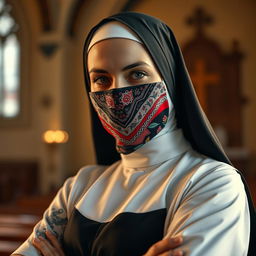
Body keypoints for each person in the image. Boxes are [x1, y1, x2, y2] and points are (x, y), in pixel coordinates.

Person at [12, 12, 255, 256]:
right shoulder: (79, 185)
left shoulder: (212, 183)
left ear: (169, 80)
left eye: (136, 73)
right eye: (101, 79)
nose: (118, 92)